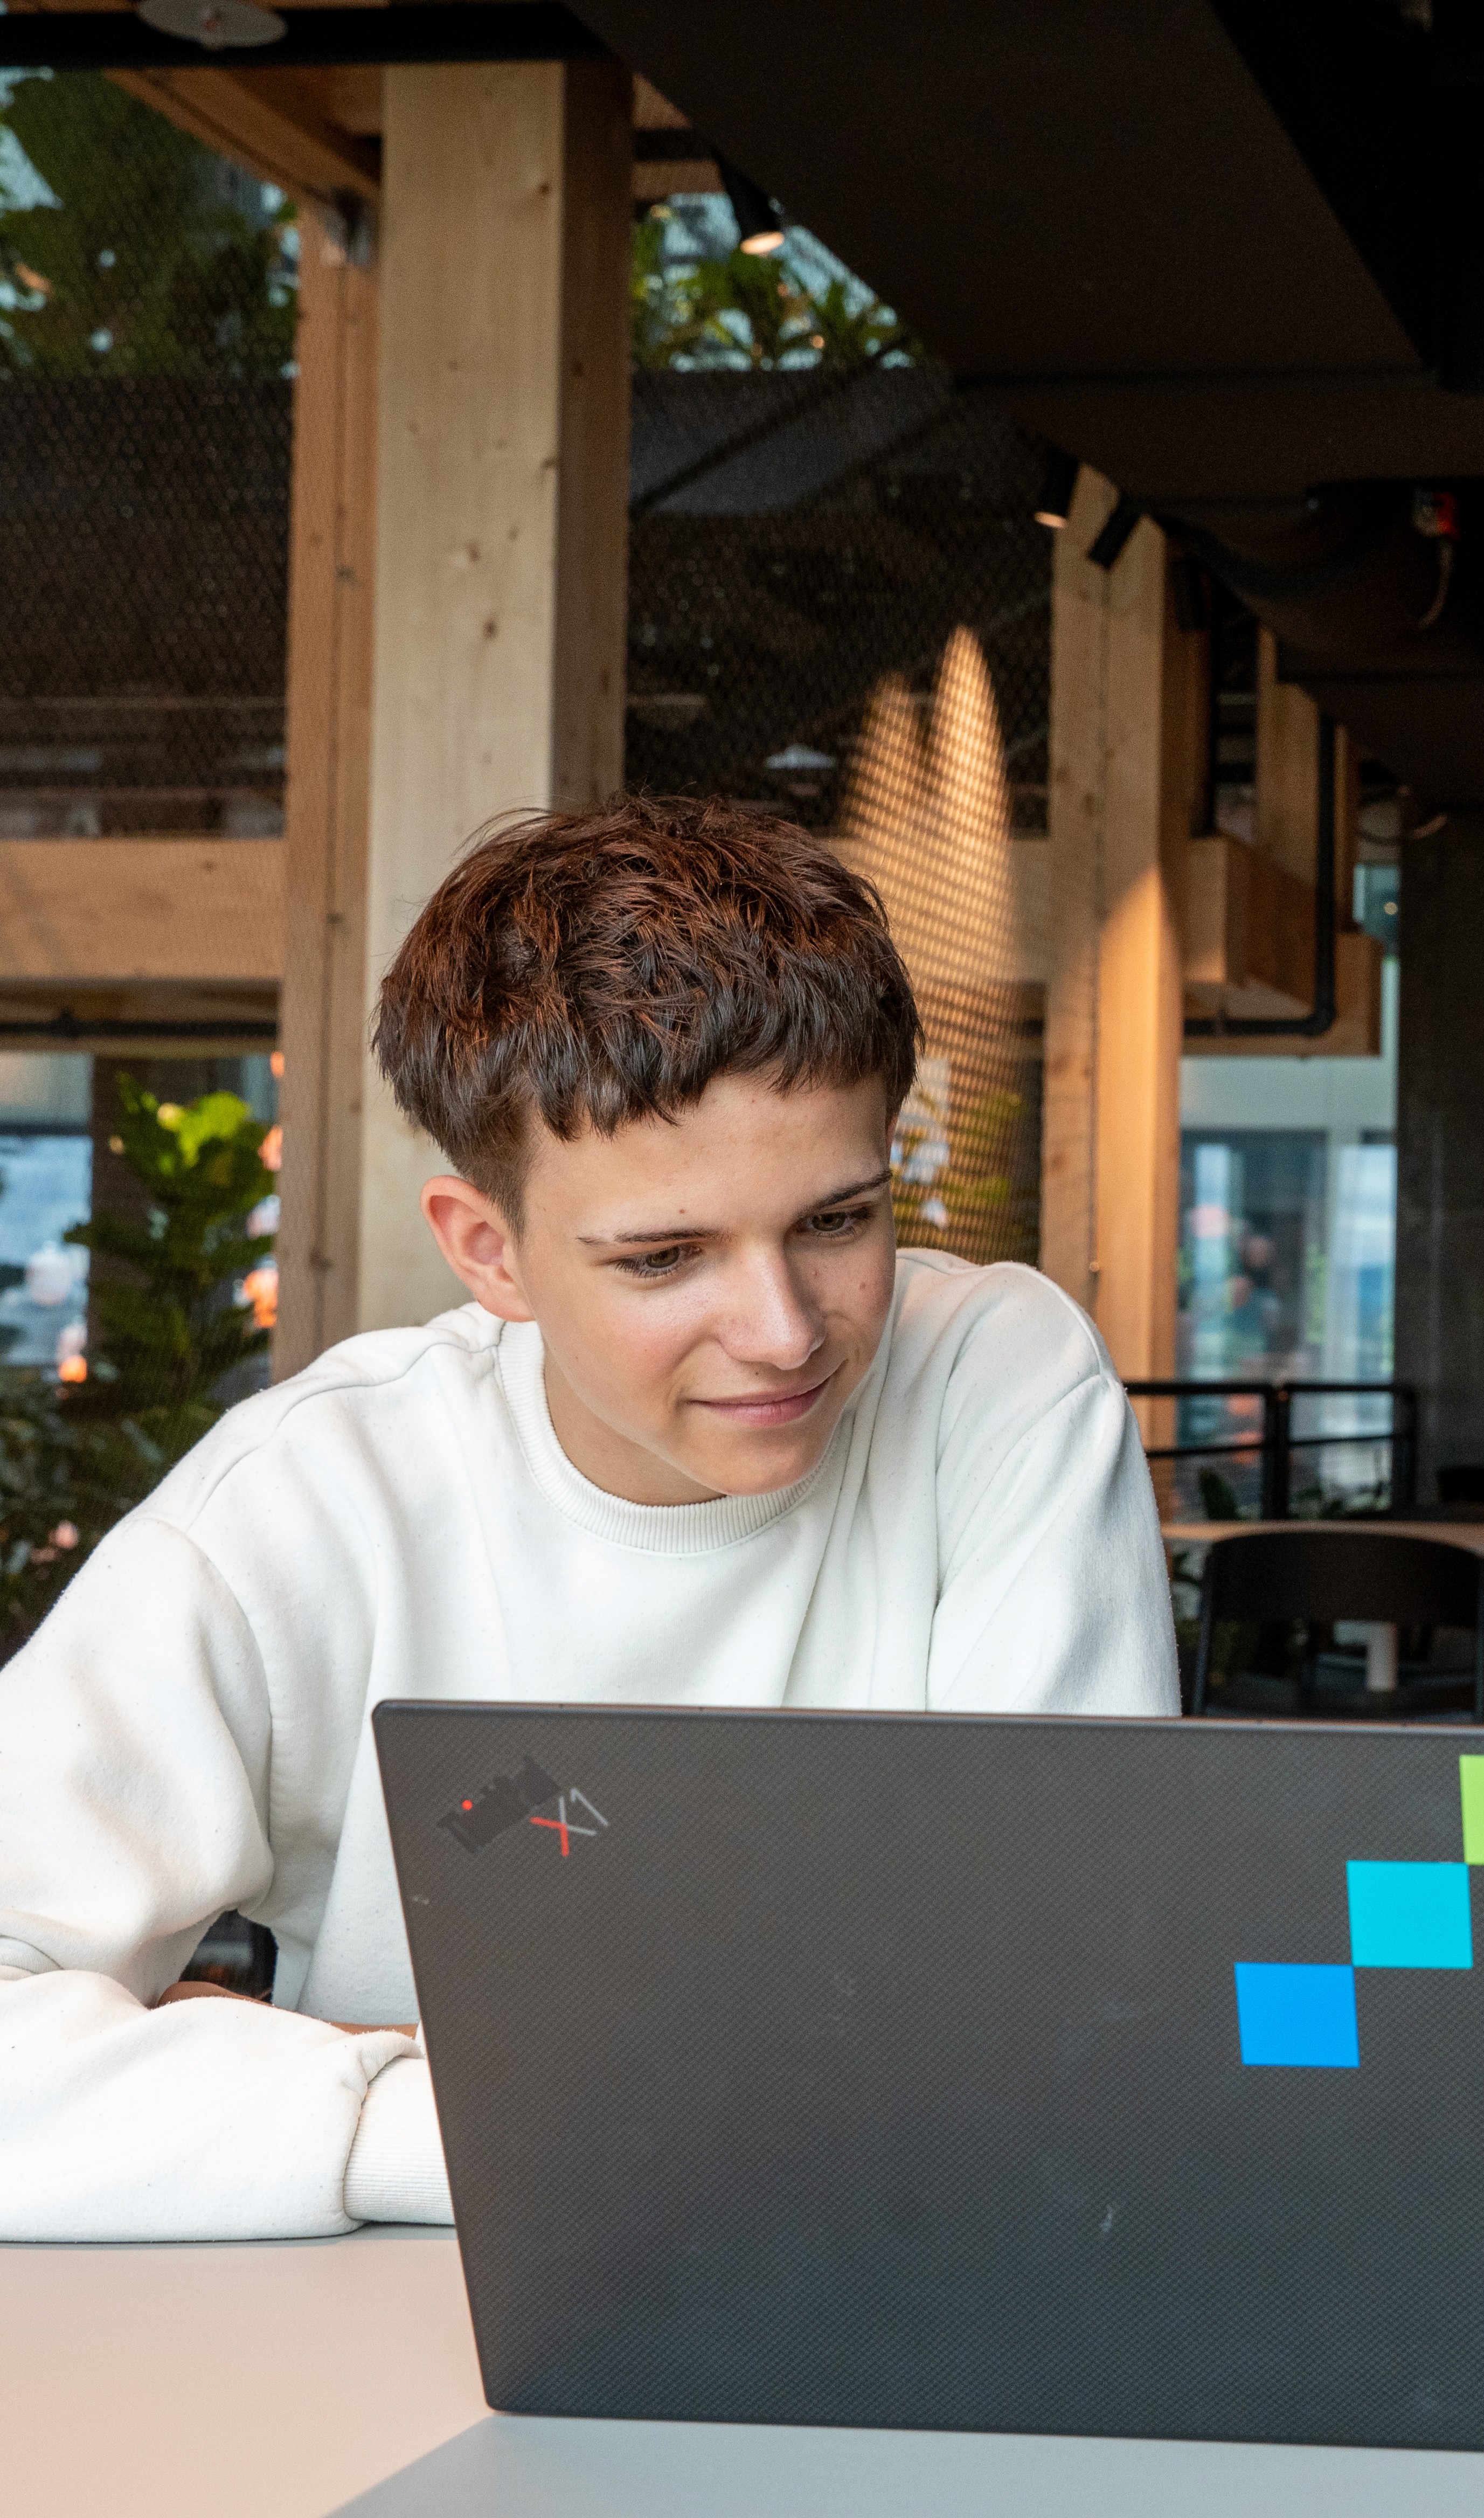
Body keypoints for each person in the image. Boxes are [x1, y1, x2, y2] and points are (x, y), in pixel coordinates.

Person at [0, 796, 1179, 2243]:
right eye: (666, 1256)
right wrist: (431, 2128)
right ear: (487, 1251)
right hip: (411, 2327)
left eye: (836, 1222)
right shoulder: (314, 1499)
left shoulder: (994, 1381)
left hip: (919, 2263)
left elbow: (1063, 1994)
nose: (782, 1331)